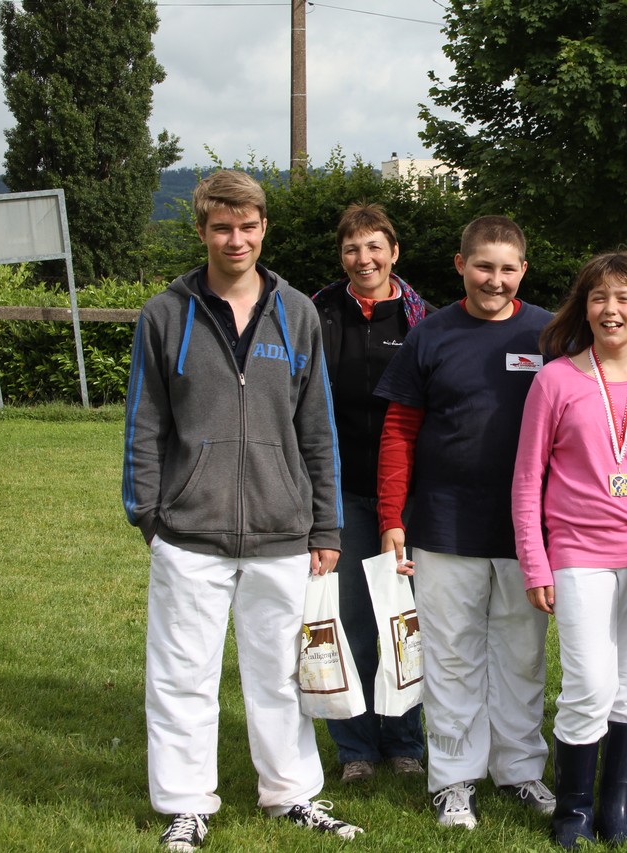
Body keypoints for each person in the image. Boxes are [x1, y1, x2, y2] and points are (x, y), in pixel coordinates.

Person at [122, 169, 362, 852]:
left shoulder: (298, 312)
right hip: (188, 530)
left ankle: (291, 793)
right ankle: (185, 804)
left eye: (248, 226)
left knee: (281, 673)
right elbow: (143, 422)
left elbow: (318, 428)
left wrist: (324, 524)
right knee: (181, 672)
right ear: (202, 229)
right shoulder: (163, 314)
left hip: (283, 529)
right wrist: (149, 513)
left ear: (263, 230)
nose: (236, 238)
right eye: (222, 226)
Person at [373, 215, 555, 830]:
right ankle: (453, 779)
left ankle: (522, 769)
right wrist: (392, 515)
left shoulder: (551, 333)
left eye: (507, 269)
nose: (495, 280)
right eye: (483, 266)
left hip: (527, 531)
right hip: (445, 524)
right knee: (451, 655)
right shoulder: (432, 335)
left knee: (522, 654)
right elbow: (398, 431)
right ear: (460, 265)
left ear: (523, 271)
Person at [511, 252, 627, 848]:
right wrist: (536, 561)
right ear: (583, 308)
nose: (610, 309)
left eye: (624, 298)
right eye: (598, 297)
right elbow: (526, 480)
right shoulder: (556, 379)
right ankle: (574, 811)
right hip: (577, 555)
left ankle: (617, 811)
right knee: (590, 682)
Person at [311, 203, 430, 783]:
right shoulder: (316, 315)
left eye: (375, 247)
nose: (365, 259)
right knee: (351, 623)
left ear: (394, 252)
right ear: (342, 256)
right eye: (353, 249)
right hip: (339, 495)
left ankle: (405, 740)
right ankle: (355, 747)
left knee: (404, 622)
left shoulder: (421, 321)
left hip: (408, 496)